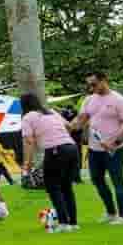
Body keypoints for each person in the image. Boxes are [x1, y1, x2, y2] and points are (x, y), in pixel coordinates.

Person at [67, 70, 123, 225]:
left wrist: (115, 143)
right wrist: (69, 127)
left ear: (104, 80)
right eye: (89, 85)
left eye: (94, 84)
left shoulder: (119, 100)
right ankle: (111, 212)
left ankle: (122, 216)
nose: (91, 87)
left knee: (117, 180)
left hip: (114, 150)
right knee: (96, 180)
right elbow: (81, 119)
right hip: (94, 149)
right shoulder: (89, 100)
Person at [21, 92, 81, 231]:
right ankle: (73, 223)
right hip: (71, 148)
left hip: (55, 150)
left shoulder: (27, 117)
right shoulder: (51, 112)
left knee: (53, 187)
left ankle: (63, 223)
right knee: (66, 187)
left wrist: (27, 164)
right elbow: (69, 127)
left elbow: (29, 142)